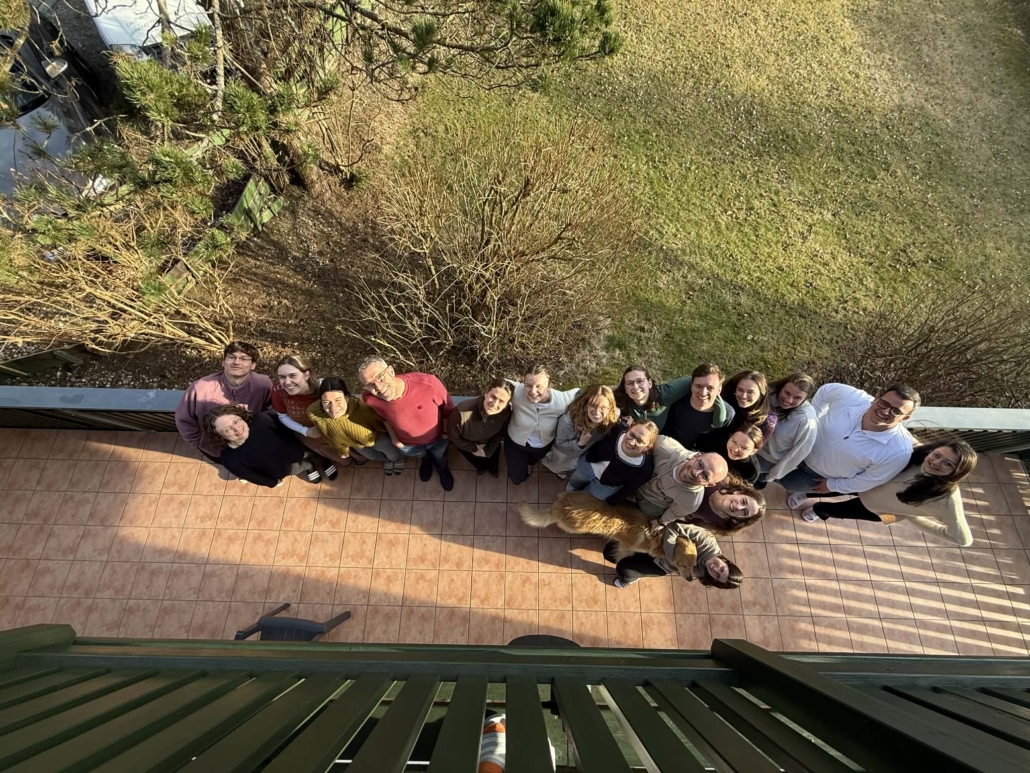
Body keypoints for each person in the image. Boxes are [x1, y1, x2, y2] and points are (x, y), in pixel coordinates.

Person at [792, 441, 977, 543]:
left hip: (883, 512)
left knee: (837, 511)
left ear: (957, 472)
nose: (935, 462)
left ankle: (818, 510)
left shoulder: (946, 500)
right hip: (867, 485)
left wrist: (913, 517)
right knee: (832, 488)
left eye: (947, 464)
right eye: (937, 454)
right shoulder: (917, 454)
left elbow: (963, 539)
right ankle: (806, 494)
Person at [781, 383, 918, 499]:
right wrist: (811, 421)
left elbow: (870, 479)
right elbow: (825, 391)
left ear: (905, 418)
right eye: (883, 403)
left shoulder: (899, 452)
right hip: (798, 446)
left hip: (819, 475)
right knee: (772, 473)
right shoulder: (853, 398)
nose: (885, 411)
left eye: (896, 411)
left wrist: (833, 486)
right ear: (876, 398)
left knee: (788, 483)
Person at [358, 356, 455, 490]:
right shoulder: (369, 398)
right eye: (370, 384)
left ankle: (442, 468)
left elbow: (447, 408)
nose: (379, 387)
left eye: (380, 377)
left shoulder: (428, 383)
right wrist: (394, 439)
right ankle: (426, 462)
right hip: (408, 444)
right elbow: (383, 417)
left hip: (438, 438)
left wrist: (445, 432)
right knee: (422, 455)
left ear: (391, 371)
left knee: (440, 456)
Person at [174, 341, 272, 461]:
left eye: (244, 358)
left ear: (253, 365)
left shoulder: (263, 385)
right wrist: (200, 442)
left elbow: (268, 410)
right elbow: (183, 419)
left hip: (250, 442)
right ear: (223, 362)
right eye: (231, 357)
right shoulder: (200, 388)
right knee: (229, 464)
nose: (236, 362)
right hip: (217, 448)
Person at [203, 405, 334, 487]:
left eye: (236, 421)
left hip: (296, 450)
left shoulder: (260, 420)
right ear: (219, 436)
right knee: (299, 467)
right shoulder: (229, 459)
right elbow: (250, 475)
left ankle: (324, 462)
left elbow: (284, 431)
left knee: (312, 454)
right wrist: (272, 482)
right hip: (282, 470)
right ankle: (309, 467)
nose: (237, 428)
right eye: (228, 430)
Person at [307, 378, 406, 475]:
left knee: (393, 454)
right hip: (355, 444)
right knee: (373, 457)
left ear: (347, 397)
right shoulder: (314, 413)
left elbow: (383, 422)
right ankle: (387, 461)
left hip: (377, 439)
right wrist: (343, 450)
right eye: (326, 402)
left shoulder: (363, 408)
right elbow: (331, 436)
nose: (333, 407)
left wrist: (394, 437)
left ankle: (397, 460)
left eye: (338, 400)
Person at [504, 365, 579, 485]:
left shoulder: (562, 402)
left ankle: (529, 464)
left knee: (532, 461)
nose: (533, 391)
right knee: (516, 478)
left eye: (539, 386)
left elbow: (582, 394)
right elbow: (499, 384)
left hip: (542, 446)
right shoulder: (516, 392)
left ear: (549, 387)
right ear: (523, 383)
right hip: (515, 443)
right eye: (528, 385)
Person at [271, 355, 350, 469]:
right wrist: (306, 431)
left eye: (293, 376)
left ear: (306, 375)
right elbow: (283, 416)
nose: (287, 382)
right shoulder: (277, 391)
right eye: (282, 377)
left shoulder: (322, 388)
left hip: (332, 427)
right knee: (343, 461)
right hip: (306, 431)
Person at [612, 522, 743, 590]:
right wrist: (671, 556)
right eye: (721, 569)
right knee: (610, 553)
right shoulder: (706, 539)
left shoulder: (704, 573)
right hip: (658, 544)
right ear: (727, 562)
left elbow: (683, 571)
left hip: (662, 565)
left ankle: (630, 579)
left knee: (624, 569)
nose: (715, 569)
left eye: (717, 576)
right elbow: (673, 527)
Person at [566, 419, 658, 505]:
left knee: (586, 500)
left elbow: (629, 488)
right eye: (631, 435)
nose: (631, 442)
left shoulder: (644, 469)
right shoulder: (616, 430)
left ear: (647, 447)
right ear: (629, 429)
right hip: (588, 466)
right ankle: (567, 493)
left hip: (606, 486)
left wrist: (612, 501)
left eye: (639, 441)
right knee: (574, 482)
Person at [636, 437, 729, 521]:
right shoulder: (663, 446)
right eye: (700, 464)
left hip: (651, 502)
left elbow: (674, 513)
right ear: (696, 456)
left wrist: (660, 522)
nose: (695, 473)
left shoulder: (692, 502)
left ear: (708, 485)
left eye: (705, 476)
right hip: (634, 480)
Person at [543, 385, 621, 479]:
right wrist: (580, 443)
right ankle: (558, 470)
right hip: (565, 453)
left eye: (603, 407)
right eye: (593, 405)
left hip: (586, 450)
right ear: (585, 405)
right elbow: (560, 442)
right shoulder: (568, 421)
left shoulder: (614, 415)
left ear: (610, 407)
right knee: (559, 464)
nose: (597, 412)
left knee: (573, 464)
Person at [756, 373, 818, 488]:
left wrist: (772, 475)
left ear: (806, 398)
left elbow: (797, 454)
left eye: (797, 398)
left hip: (765, 458)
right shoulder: (770, 393)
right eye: (787, 393)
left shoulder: (807, 422)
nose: (789, 400)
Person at [447, 378, 514, 477]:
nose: (494, 404)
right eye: (493, 396)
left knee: (493, 460)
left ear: (506, 404)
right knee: (478, 463)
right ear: (486, 393)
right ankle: (481, 468)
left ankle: (493, 469)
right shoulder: (461, 413)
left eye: (501, 401)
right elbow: (453, 437)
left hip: (491, 443)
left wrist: (489, 450)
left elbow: (502, 431)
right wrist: (474, 449)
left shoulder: (506, 412)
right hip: (468, 446)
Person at [662, 363, 735, 449]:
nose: (703, 393)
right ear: (691, 386)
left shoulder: (727, 413)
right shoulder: (676, 401)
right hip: (666, 447)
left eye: (710, 388)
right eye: (698, 386)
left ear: (719, 389)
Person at [666, 480, 766, 534]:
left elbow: (691, 521)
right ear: (738, 492)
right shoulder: (716, 480)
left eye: (744, 512)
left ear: (740, 519)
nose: (739, 507)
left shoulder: (720, 523)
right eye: (743, 501)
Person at [612, 366, 694, 431]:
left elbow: (694, 380)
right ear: (625, 388)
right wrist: (619, 418)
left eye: (640, 381)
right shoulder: (619, 398)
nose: (635, 387)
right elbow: (604, 393)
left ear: (650, 383)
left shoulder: (664, 394)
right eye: (630, 383)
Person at [693, 425, 765, 485]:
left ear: (753, 451)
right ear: (730, 436)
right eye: (734, 441)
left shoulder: (752, 471)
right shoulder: (717, 441)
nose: (735, 449)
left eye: (743, 448)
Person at [722, 370, 775, 441]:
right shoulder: (726, 401)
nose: (744, 396)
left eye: (750, 392)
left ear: (761, 394)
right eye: (740, 390)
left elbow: (755, 447)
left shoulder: (767, 422)